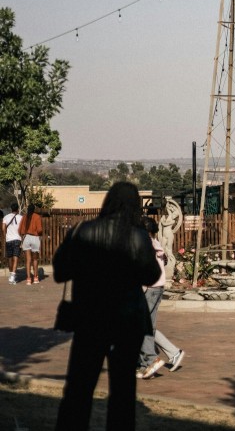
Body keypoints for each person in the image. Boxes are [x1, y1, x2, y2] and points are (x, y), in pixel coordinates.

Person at [53, 181, 160, 431]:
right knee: (123, 392)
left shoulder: (82, 230)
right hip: (127, 321)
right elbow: (151, 276)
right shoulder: (138, 236)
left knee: (79, 388)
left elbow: (60, 272)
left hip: (89, 318)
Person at [137, 217, 184, 380]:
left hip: (148, 288)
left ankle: (151, 360)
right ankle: (148, 364)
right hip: (158, 287)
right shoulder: (155, 244)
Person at [19, 204, 42, 284]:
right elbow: (39, 230)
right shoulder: (37, 217)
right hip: (35, 238)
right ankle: (35, 277)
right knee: (35, 259)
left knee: (28, 260)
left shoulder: (24, 217)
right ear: (34, 209)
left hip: (26, 238)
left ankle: (28, 279)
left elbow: (20, 229)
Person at [3, 202, 22, 284]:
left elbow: (3, 228)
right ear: (18, 209)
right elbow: (22, 228)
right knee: (16, 257)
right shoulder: (21, 217)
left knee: (10, 258)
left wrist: (5, 236)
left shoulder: (6, 217)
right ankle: (12, 276)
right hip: (17, 239)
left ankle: (12, 275)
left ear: (11, 209)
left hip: (8, 240)